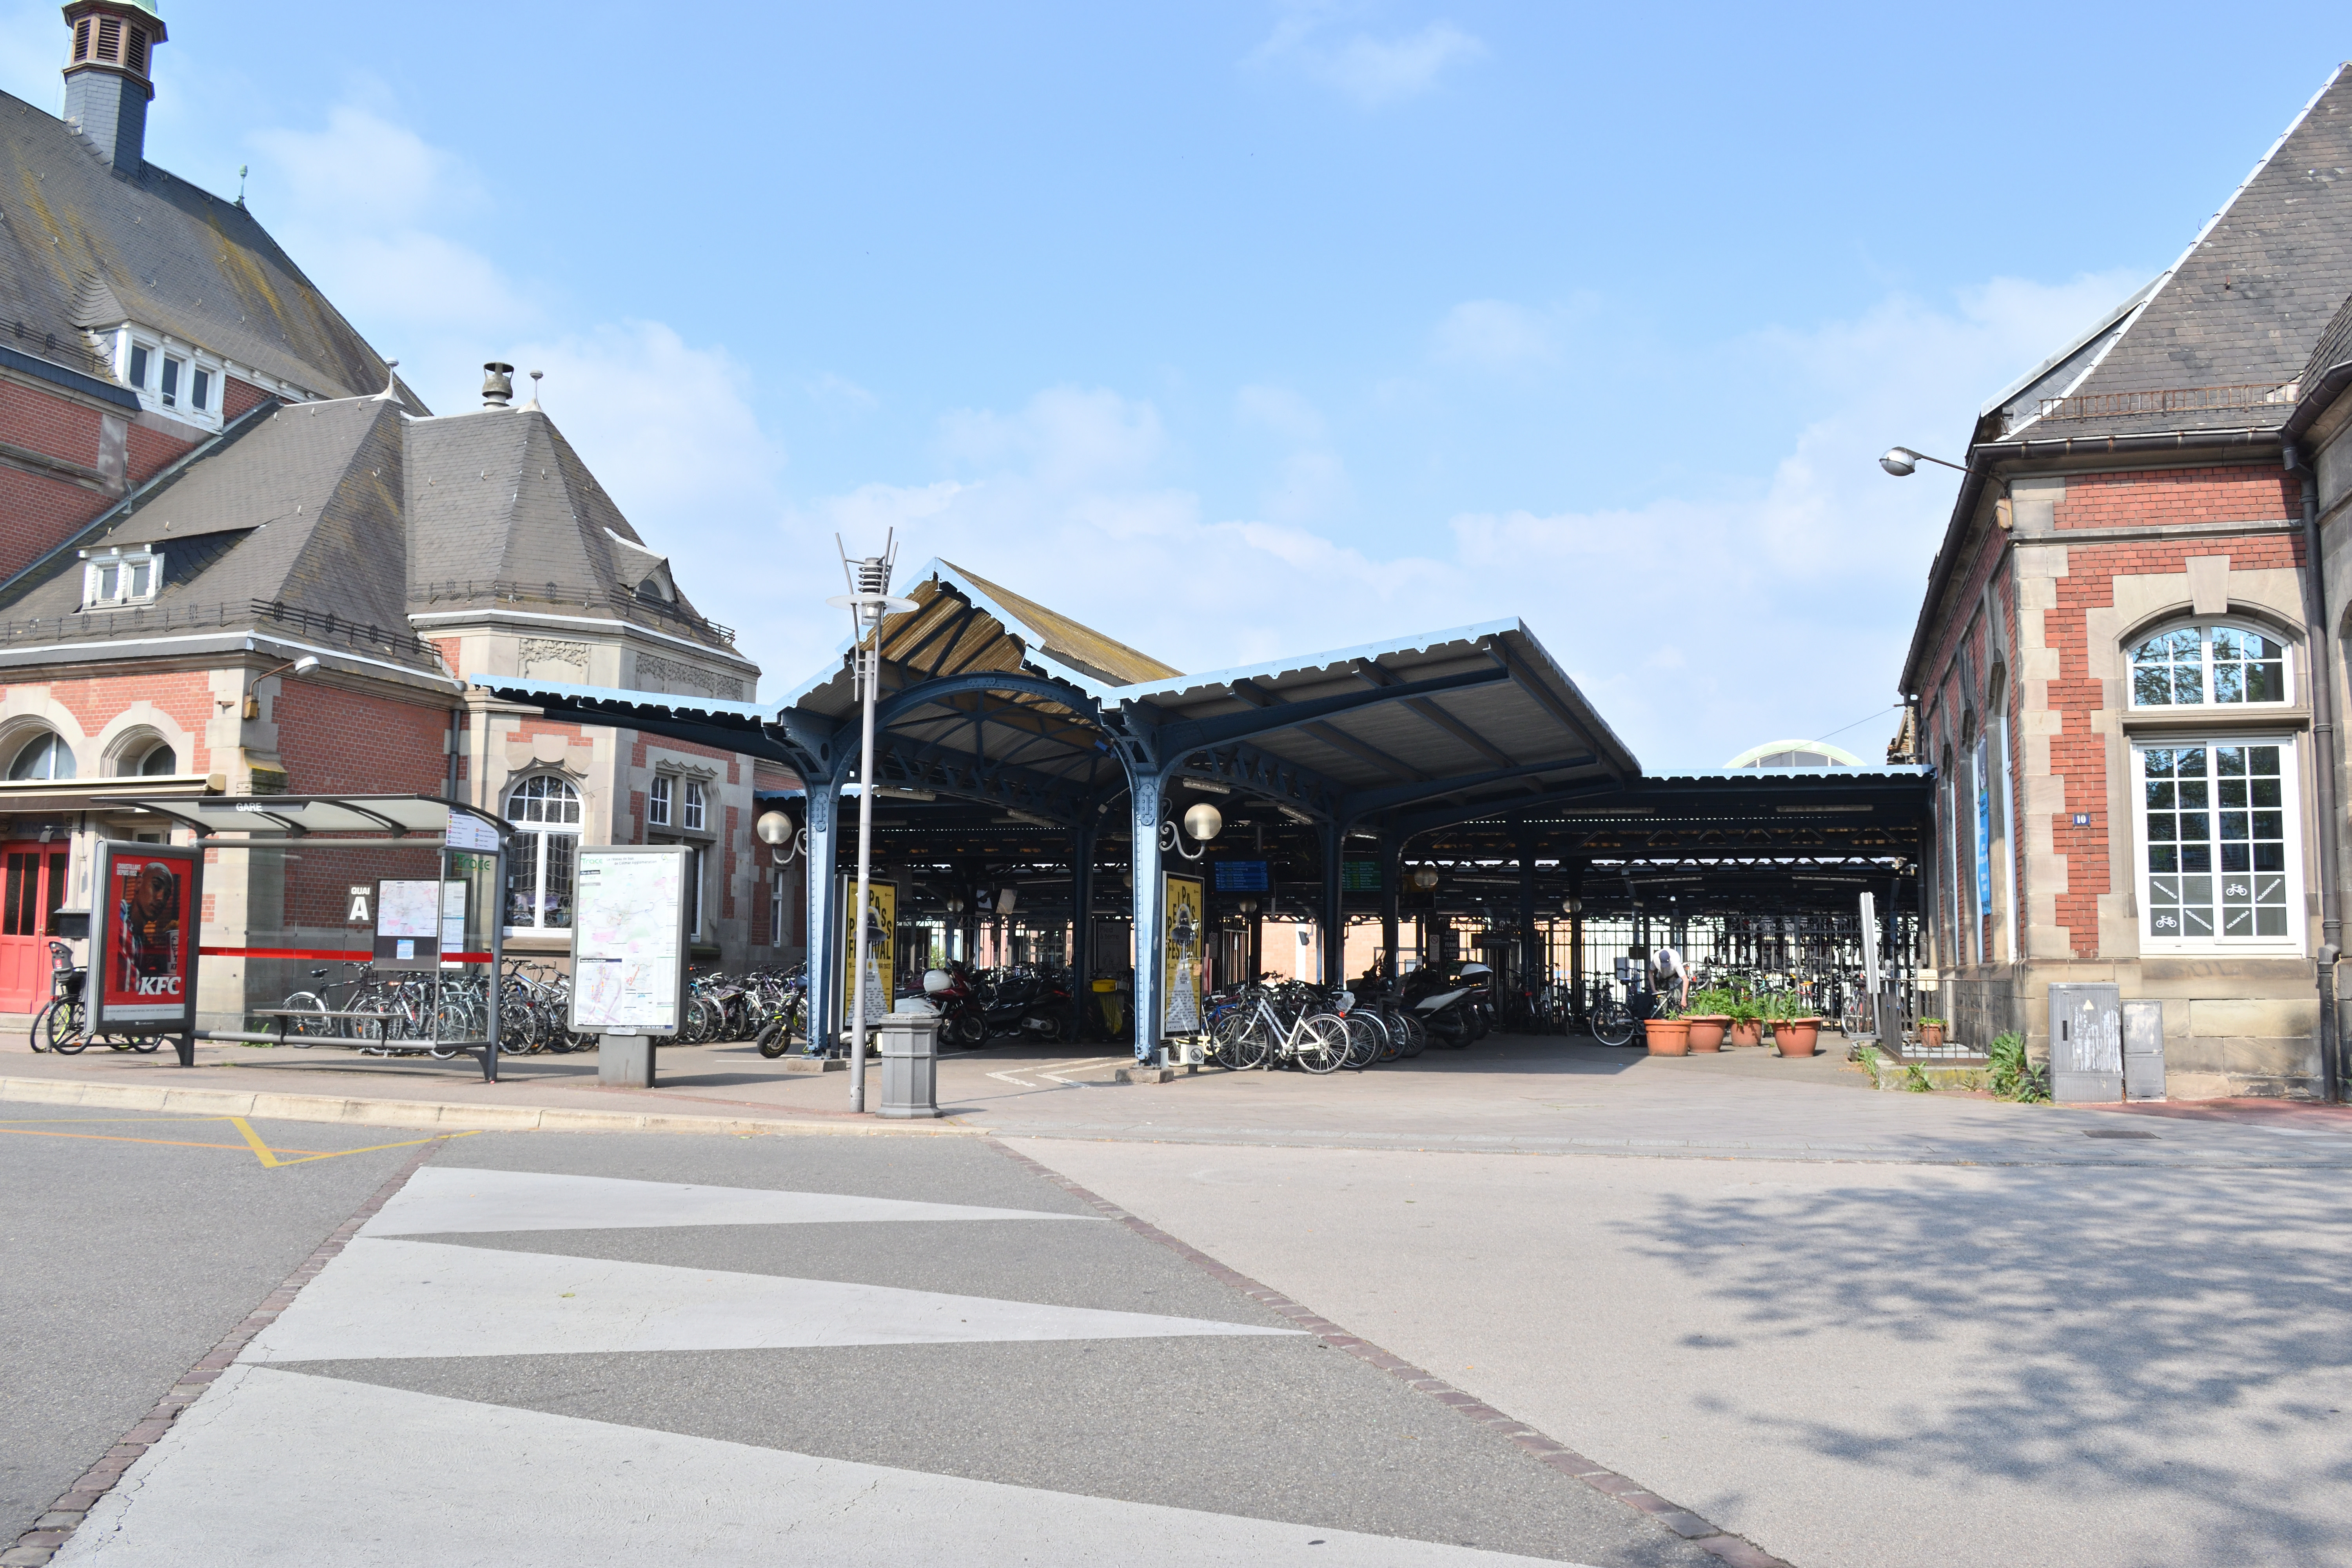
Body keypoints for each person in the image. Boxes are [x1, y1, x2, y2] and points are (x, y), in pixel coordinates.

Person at [1650, 944, 1690, 1011]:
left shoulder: (1675, 961)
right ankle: (1662, 1017)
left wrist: (1684, 999)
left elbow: (1686, 980)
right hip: (1662, 981)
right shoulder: (1655, 959)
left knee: (1676, 1002)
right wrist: (1654, 990)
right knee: (1662, 1007)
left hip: (1675, 982)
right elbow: (1650, 973)